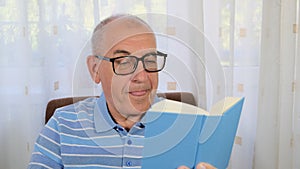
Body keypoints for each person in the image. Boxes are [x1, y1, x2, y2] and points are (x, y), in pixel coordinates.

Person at [28, 14, 216, 169]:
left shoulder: (187, 126)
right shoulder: (61, 125)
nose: (141, 77)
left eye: (150, 60)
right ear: (95, 69)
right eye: (124, 62)